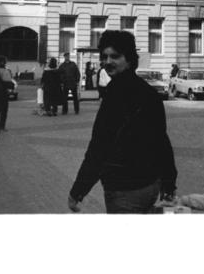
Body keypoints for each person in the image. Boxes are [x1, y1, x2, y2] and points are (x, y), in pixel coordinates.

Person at [68, 30, 177, 214]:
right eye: (104, 56)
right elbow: (162, 141)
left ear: (129, 59)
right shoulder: (149, 92)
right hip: (151, 186)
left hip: (124, 190)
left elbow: (99, 148)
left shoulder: (115, 94)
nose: (108, 62)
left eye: (115, 56)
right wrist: (169, 184)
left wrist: (78, 191)